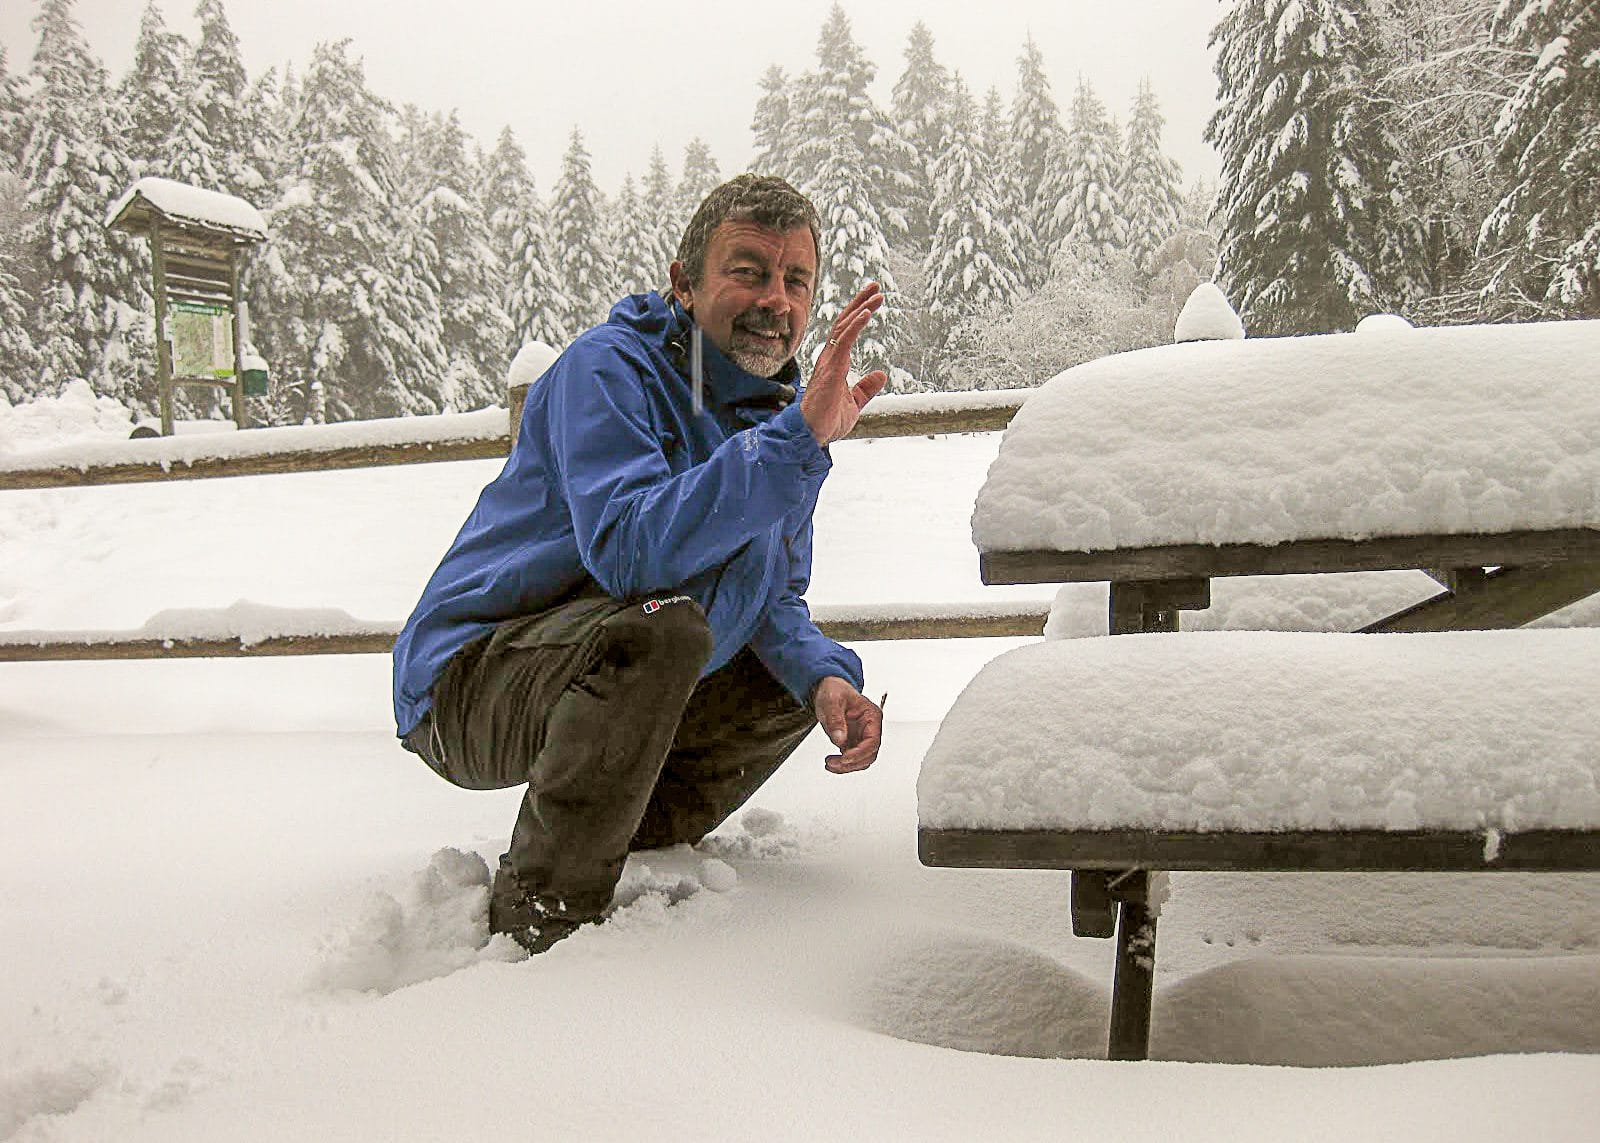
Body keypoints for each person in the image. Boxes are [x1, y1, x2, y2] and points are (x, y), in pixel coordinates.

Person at [392, 174, 888, 954]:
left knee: (794, 680)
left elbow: (773, 599)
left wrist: (825, 677)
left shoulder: (775, 423)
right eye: (749, 270)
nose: (777, 301)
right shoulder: (608, 371)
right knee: (659, 629)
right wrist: (794, 444)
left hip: (597, 663)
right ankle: (541, 920)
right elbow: (631, 551)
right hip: (466, 685)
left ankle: (626, 829)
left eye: (797, 281)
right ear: (683, 284)